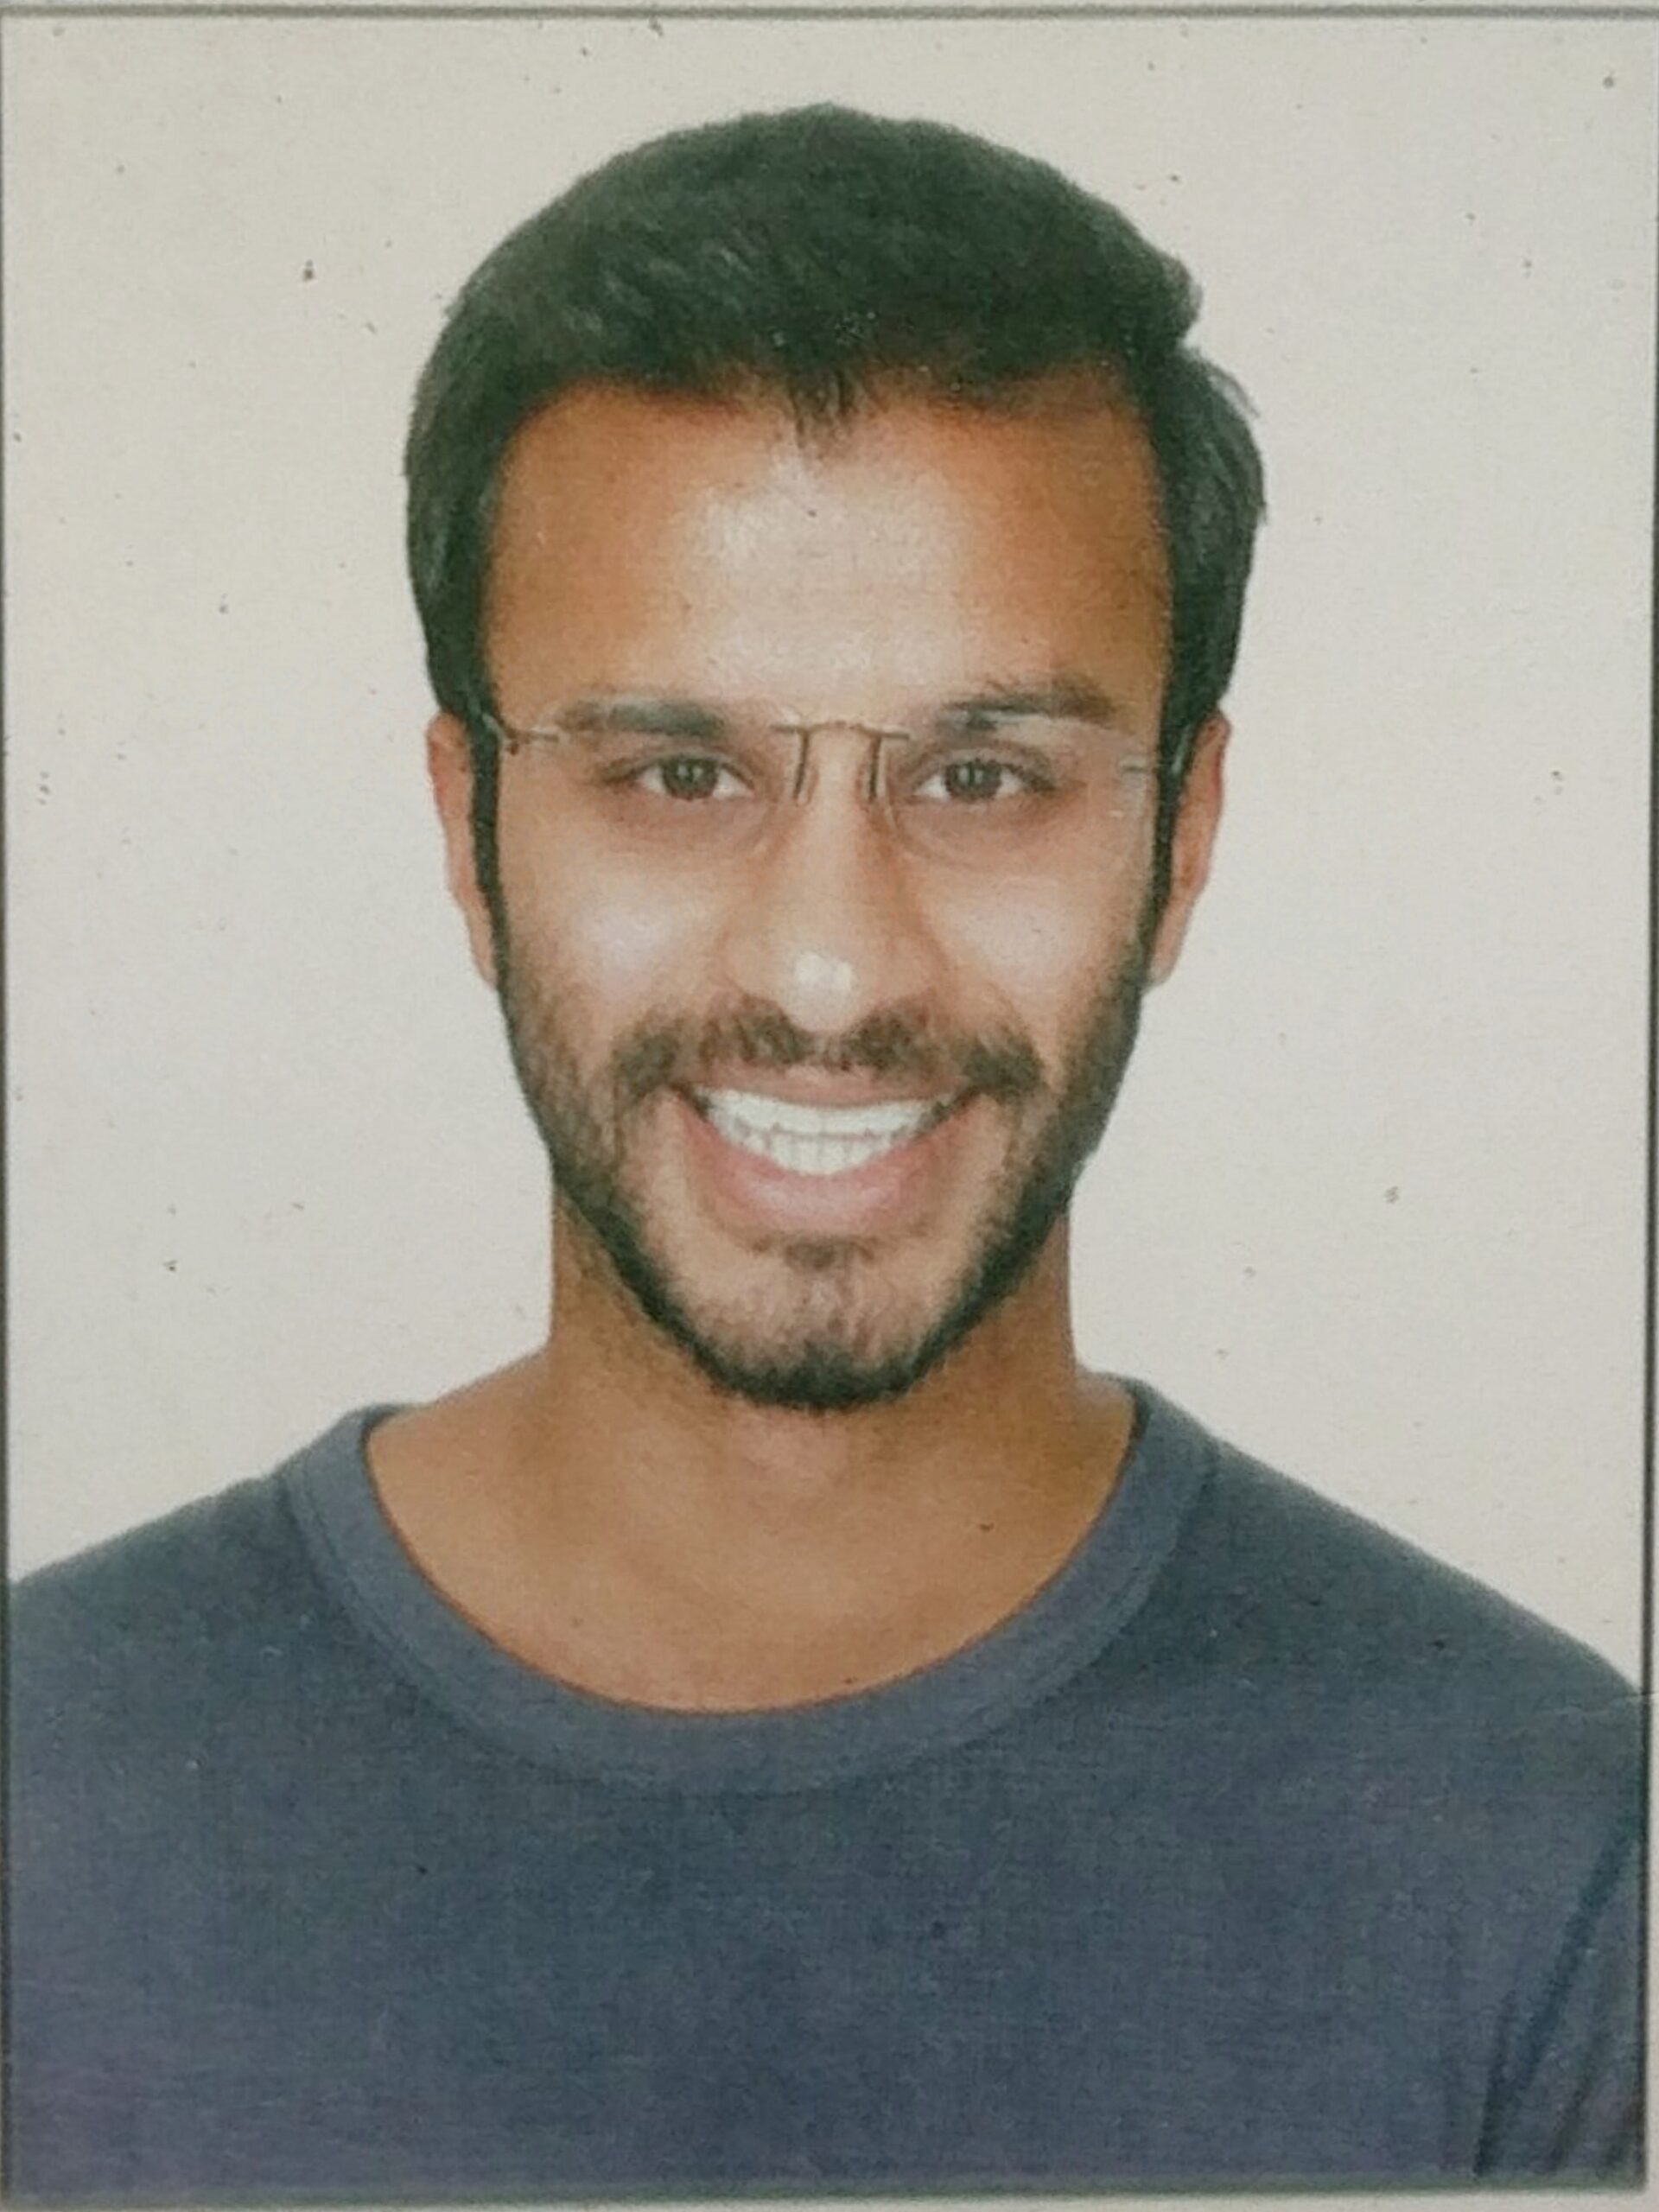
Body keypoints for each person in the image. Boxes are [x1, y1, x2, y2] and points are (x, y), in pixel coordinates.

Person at [9, 105, 1639, 2200]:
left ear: (1184, 836)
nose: (832, 961)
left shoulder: (1551, 1862)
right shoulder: (39, 1805)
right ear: (466, 829)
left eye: (984, 772)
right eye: (678, 770)